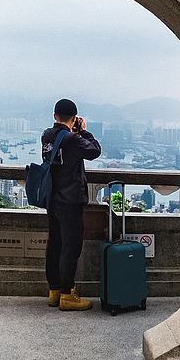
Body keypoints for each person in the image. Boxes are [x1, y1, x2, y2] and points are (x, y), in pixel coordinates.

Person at [42, 98, 101, 311]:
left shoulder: (47, 135)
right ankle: (68, 295)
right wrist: (84, 131)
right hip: (71, 201)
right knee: (70, 248)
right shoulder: (73, 139)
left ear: (55, 116)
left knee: (55, 245)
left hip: (53, 200)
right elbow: (95, 150)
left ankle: (54, 291)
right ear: (75, 118)